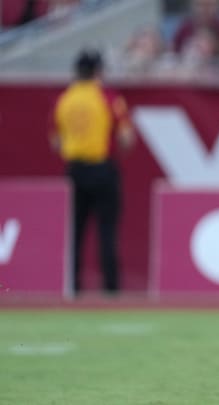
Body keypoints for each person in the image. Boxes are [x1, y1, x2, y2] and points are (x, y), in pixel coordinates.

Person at [49, 48, 135, 295]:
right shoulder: (108, 97)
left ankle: (72, 287)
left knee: (74, 232)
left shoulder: (64, 99)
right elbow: (126, 137)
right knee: (107, 231)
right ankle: (111, 289)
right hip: (103, 169)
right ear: (98, 71)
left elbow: (55, 142)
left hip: (75, 171)